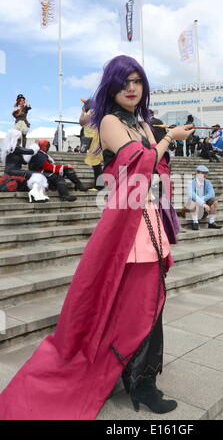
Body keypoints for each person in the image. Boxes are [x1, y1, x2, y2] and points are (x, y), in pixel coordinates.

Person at [0, 55, 194, 420]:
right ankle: (139, 381)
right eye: (124, 83)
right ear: (112, 88)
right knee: (137, 302)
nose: (132, 89)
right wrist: (169, 138)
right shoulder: (107, 121)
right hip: (125, 216)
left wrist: (162, 143)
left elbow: (157, 167)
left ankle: (142, 377)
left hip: (146, 213)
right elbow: (140, 162)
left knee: (150, 302)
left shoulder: (142, 122)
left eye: (137, 81)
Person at [1, 129, 49, 202]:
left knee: (36, 175)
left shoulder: (15, 149)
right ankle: (35, 195)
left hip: (15, 171)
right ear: (14, 139)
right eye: (19, 140)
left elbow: (24, 162)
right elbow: (31, 151)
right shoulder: (14, 148)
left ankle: (37, 194)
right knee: (36, 175)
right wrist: (35, 145)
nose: (20, 142)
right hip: (11, 171)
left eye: (20, 140)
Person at [185, 165, 223, 230]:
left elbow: (212, 194)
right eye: (202, 173)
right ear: (197, 173)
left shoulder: (207, 182)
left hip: (203, 208)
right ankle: (195, 222)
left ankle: (211, 222)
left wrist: (202, 202)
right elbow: (192, 195)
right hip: (191, 208)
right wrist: (203, 204)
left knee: (214, 201)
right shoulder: (190, 183)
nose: (204, 175)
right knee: (192, 200)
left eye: (205, 173)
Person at [79, 98, 104, 191]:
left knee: (96, 165)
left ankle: (99, 186)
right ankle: (100, 185)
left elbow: (82, 122)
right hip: (95, 140)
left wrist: (83, 112)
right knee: (97, 165)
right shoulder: (96, 111)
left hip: (95, 141)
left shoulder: (92, 111)